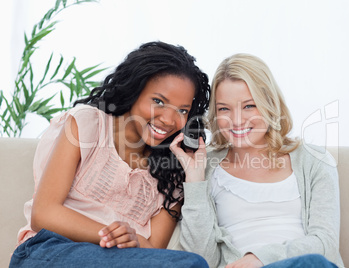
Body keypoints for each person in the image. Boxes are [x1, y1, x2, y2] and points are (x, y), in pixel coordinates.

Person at [10, 41, 210, 268]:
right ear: (135, 90)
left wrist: (133, 240)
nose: (168, 119)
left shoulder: (171, 173)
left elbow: (154, 251)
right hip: (48, 251)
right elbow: (44, 214)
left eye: (182, 110)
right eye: (158, 101)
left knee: (192, 263)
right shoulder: (87, 125)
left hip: (117, 260)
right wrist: (112, 235)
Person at [170, 53, 344, 268]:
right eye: (224, 108)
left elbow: (325, 243)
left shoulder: (314, 161)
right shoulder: (207, 167)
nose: (236, 120)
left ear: (270, 104)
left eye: (249, 106)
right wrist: (195, 181)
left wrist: (261, 258)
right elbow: (202, 259)